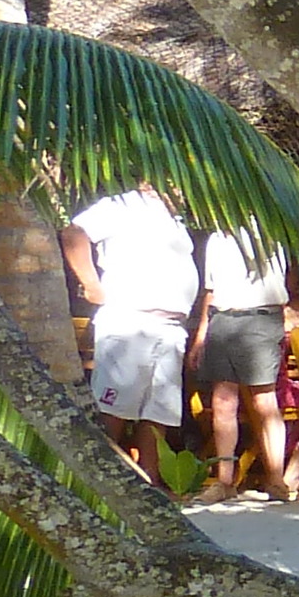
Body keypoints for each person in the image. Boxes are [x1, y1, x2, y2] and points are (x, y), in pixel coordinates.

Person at [62, 181, 198, 478]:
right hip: (129, 323)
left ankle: (150, 483)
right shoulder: (121, 205)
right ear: (148, 181)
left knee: (158, 411)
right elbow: (74, 232)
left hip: (171, 327)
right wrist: (91, 283)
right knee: (113, 408)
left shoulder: (176, 219)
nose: (179, 186)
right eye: (172, 179)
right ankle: (100, 481)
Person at [187, 225, 295, 503]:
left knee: (264, 400)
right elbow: (210, 290)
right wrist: (201, 335)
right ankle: (224, 480)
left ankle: (276, 478)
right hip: (223, 319)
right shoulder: (218, 238)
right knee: (223, 401)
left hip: (261, 317)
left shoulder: (271, 231)